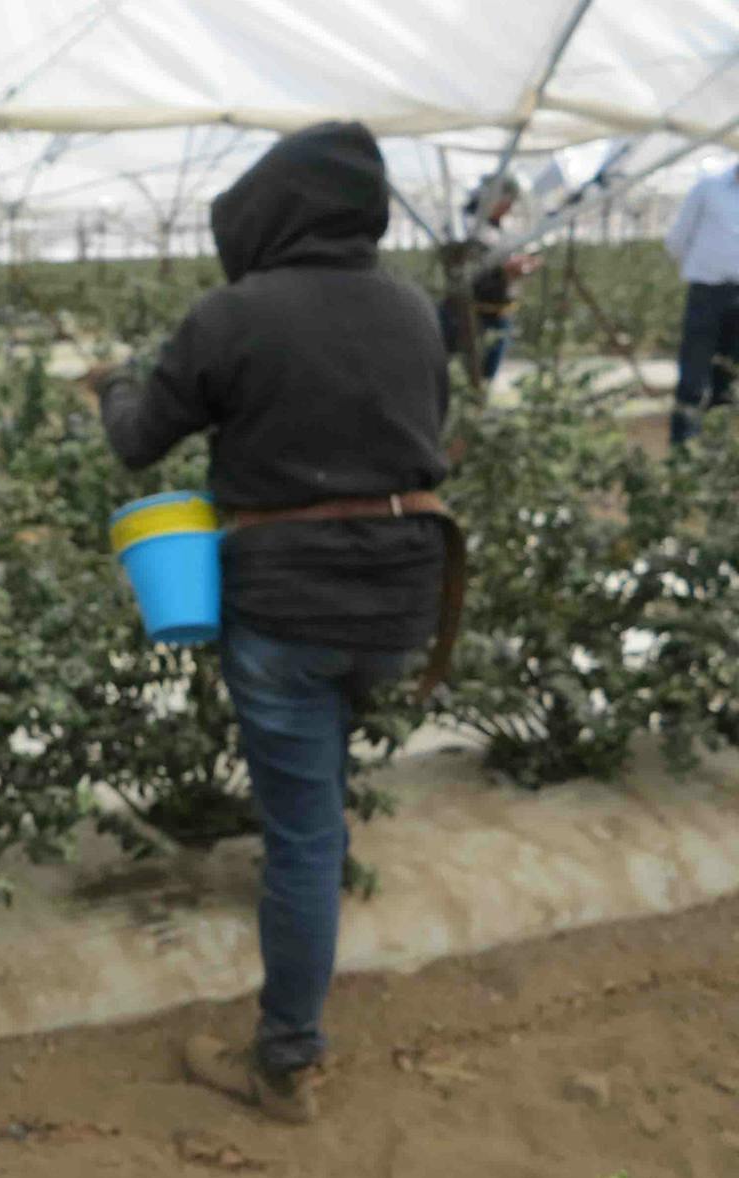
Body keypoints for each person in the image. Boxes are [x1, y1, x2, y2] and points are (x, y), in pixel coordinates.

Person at [91, 121, 457, 1123]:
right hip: (403, 599)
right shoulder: (415, 310)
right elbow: (426, 435)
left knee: (301, 832)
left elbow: (137, 442)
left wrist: (114, 382)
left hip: (289, 599)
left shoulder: (235, 314)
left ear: (267, 215)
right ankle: (310, 955)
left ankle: (286, 1057)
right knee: (322, 780)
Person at [663, 160, 739, 445]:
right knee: (693, 375)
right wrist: (700, 269)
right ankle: (683, 446)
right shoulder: (709, 189)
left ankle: (713, 448)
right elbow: (678, 238)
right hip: (706, 292)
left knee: (727, 376)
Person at [437, 175, 539, 382]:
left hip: (498, 312)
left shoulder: (500, 230)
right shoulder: (467, 226)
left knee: (485, 374)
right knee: (452, 367)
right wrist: (503, 272)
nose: (508, 207)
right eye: (505, 201)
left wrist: (520, 268)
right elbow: (467, 273)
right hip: (468, 312)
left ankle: (477, 400)